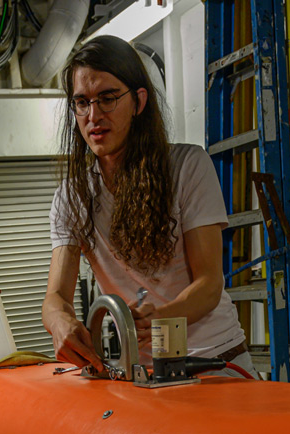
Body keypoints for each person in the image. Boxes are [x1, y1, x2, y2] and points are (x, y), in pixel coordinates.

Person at [43, 35, 252, 375]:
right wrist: (60, 322)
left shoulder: (186, 166)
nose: (93, 115)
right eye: (82, 102)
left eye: (107, 99)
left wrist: (163, 318)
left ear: (139, 101)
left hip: (215, 358)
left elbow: (209, 284)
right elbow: (55, 297)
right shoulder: (73, 195)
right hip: (145, 371)